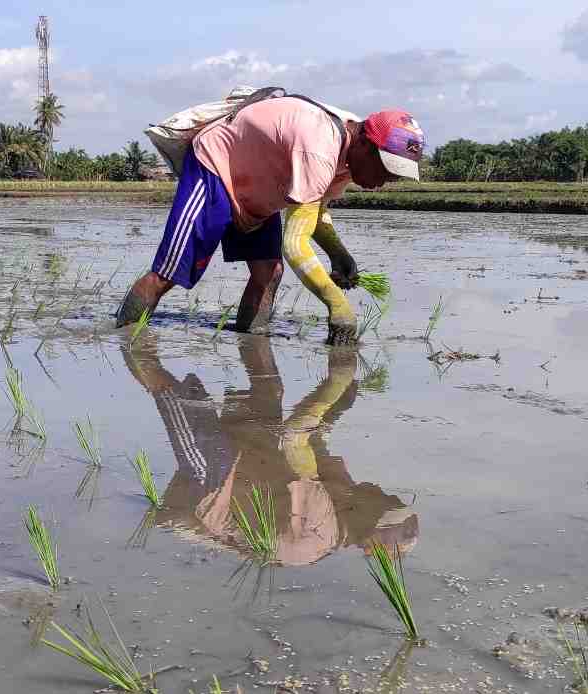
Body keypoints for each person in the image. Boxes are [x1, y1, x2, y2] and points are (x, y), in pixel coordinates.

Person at [116, 97, 425, 344]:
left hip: (261, 188)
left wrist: (338, 254)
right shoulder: (320, 145)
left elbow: (313, 210)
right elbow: (295, 244)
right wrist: (337, 306)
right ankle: (125, 340)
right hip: (218, 169)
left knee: (269, 272)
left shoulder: (346, 158)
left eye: (393, 176)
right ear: (365, 145)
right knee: (168, 274)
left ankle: (252, 345)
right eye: (385, 169)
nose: (384, 181)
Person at [122, 334, 418, 567]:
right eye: (387, 496)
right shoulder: (344, 498)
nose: (380, 489)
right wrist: (336, 408)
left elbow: (295, 440)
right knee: (269, 391)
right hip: (245, 466)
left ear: (369, 518)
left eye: (383, 500)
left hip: (210, 488)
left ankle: (131, 343)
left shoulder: (317, 532)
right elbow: (314, 445)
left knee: (175, 395)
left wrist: (332, 390)